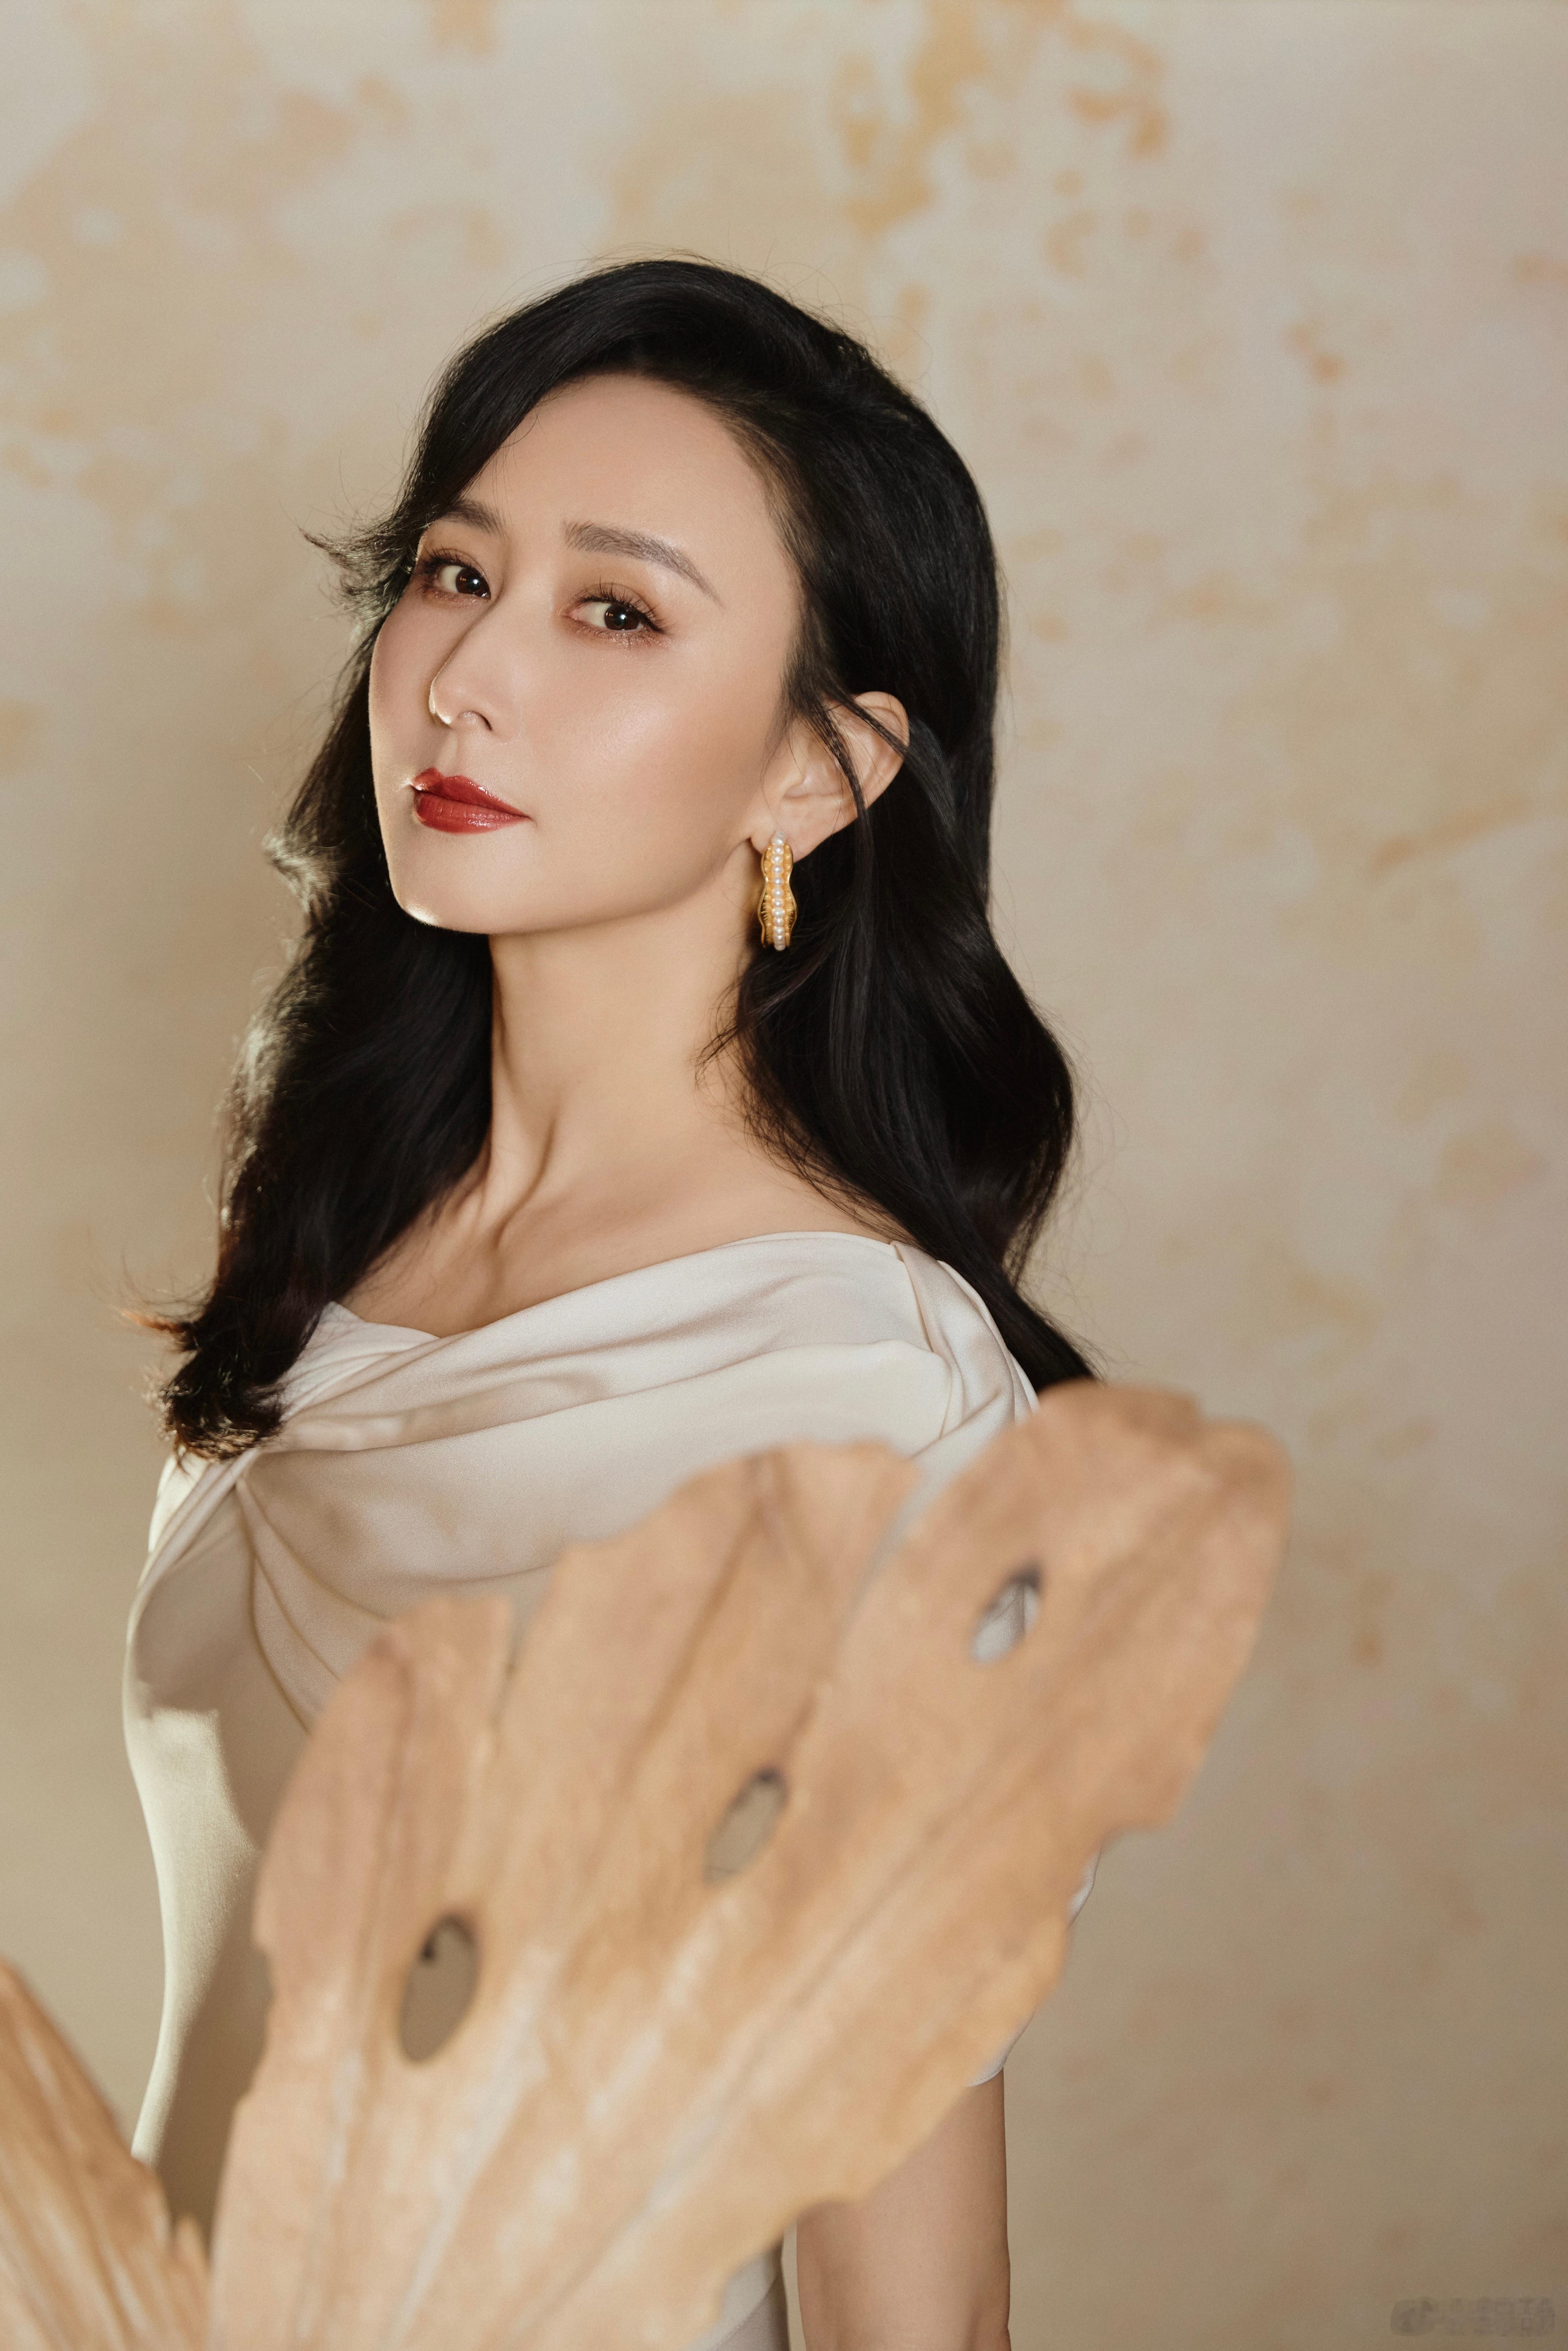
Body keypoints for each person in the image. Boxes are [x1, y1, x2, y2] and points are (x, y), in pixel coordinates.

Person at [125, 257, 1095, 2351]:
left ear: (817, 774)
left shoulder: (860, 1413)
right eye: (454, 573)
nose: (467, 678)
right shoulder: (335, 1238)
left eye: (617, 614)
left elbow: (912, 2310)